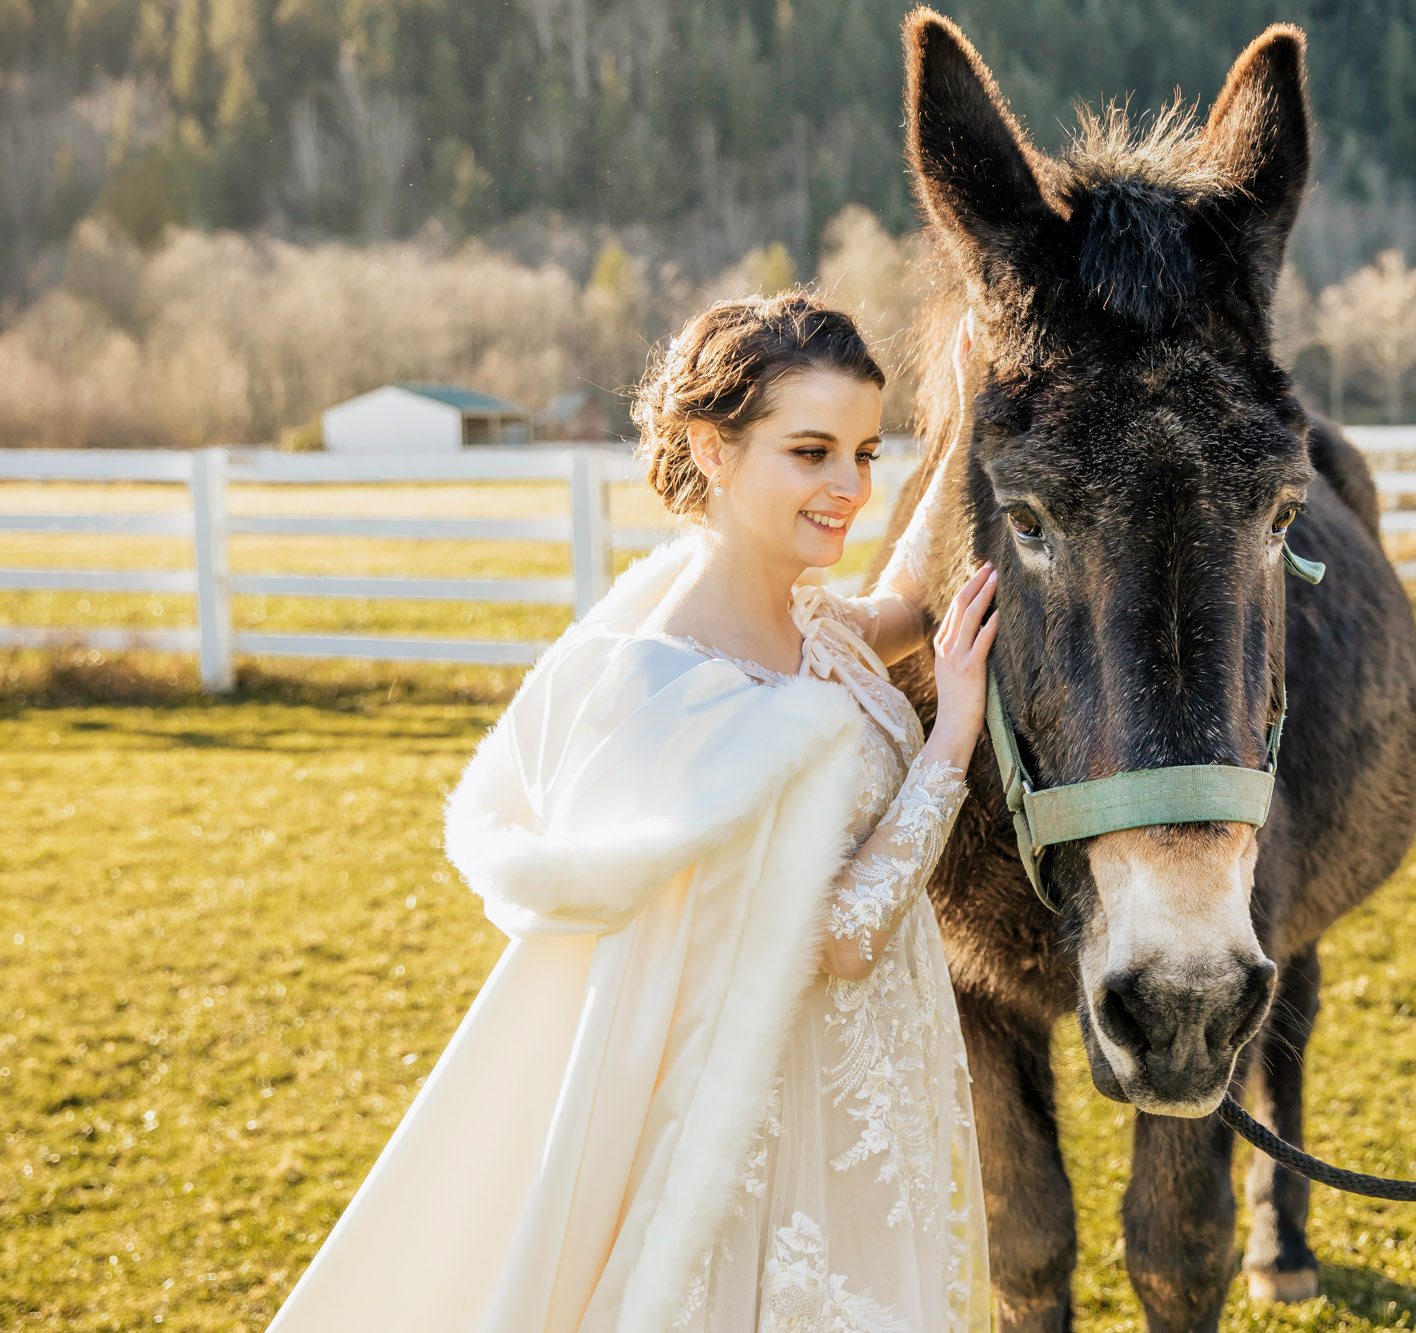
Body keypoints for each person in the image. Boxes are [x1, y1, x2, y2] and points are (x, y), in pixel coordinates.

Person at [266, 292, 994, 1332]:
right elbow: (833, 935)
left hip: (855, 1093)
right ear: (712, 445)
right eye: (810, 451)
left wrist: (964, 420)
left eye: (865, 453)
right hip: (762, 1119)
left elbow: (908, 607)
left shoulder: (804, 615)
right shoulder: (671, 687)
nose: (847, 488)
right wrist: (950, 739)